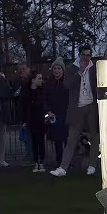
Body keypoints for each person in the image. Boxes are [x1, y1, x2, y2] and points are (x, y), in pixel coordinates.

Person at [50, 49, 97, 177]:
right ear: (79, 55)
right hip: (77, 108)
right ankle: (63, 168)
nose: (86, 58)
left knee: (94, 136)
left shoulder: (95, 68)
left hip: (92, 107)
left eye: (89, 55)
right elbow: (67, 85)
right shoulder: (71, 68)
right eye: (84, 55)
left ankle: (92, 165)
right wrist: (80, 72)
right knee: (71, 138)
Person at [23, 69, 49, 172]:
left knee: (41, 141)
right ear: (33, 80)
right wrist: (24, 120)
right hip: (31, 119)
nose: (41, 80)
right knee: (33, 141)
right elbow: (23, 107)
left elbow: (44, 104)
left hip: (41, 119)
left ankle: (41, 162)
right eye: (39, 78)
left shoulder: (42, 91)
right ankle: (35, 162)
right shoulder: (27, 92)